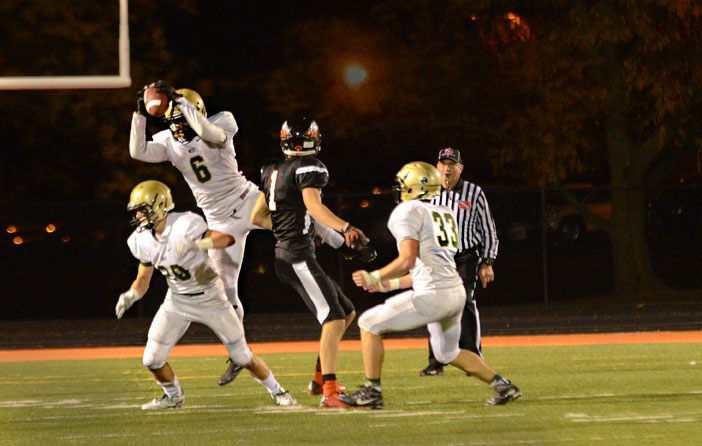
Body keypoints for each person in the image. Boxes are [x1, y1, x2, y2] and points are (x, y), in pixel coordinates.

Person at [129, 81, 342, 385]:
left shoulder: (222, 121)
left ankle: (341, 240)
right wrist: (139, 114)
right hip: (218, 221)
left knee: (293, 210)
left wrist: (180, 105)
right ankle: (238, 353)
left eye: (179, 118)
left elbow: (208, 134)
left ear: (195, 111)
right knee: (226, 291)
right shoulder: (168, 140)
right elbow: (138, 151)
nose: (175, 126)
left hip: (246, 200)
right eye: (172, 120)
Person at [340, 161, 521, 409]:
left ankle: (372, 390)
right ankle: (504, 385)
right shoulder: (444, 212)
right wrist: (386, 286)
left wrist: (375, 276)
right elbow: (424, 269)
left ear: (417, 186)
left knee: (368, 323)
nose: (398, 188)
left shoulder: (408, 211)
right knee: (447, 353)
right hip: (454, 291)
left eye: (403, 184)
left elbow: (407, 260)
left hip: (435, 295)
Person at [115, 180, 297, 409]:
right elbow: (143, 280)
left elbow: (227, 238)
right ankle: (173, 396)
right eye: (137, 211)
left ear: (160, 205)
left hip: (211, 296)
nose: (139, 216)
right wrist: (131, 294)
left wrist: (200, 245)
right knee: (151, 359)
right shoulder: (139, 240)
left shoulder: (185, 224)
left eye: (143, 209)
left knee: (241, 356)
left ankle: (278, 391)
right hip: (177, 300)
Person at [250, 117, 372, 408]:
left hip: (288, 255)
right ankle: (330, 393)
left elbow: (257, 217)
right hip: (296, 257)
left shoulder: (271, 169)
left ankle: (319, 380)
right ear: (314, 140)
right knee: (333, 318)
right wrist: (346, 228)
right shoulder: (310, 168)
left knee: (347, 312)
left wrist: (291, 230)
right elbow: (314, 207)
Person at [419, 147, 499, 377]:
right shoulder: (429, 192)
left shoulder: (474, 193)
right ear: (437, 167)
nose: (446, 169)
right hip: (437, 258)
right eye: (442, 164)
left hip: (465, 256)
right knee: (435, 305)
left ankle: (473, 358)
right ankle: (436, 362)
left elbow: (488, 230)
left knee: (463, 302)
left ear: (460, 168)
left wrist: (488, 261)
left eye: (451, 164)